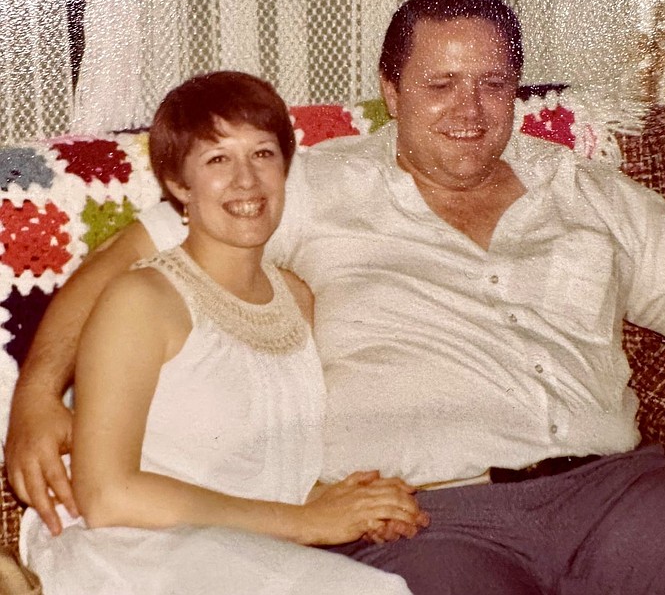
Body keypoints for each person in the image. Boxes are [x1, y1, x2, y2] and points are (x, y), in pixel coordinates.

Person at [7, 0, 665, 594]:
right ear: (391, 89)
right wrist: (37, 394)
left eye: (493, 83)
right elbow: (124, 266)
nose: (471, 110)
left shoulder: (594, 193)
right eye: (441, 83)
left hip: (622, 498)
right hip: (431, 522)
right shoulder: (303, 186)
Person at [16, 71, 423, 594]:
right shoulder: (142, 300)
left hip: (245, 550)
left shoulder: (300, 302)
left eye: (262, 154)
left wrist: (350, 504)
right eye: (217, 159)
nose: (246, 181)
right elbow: (107, 495)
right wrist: (305, 521)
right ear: (179, 185)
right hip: (131, 549)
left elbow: (260, 465)